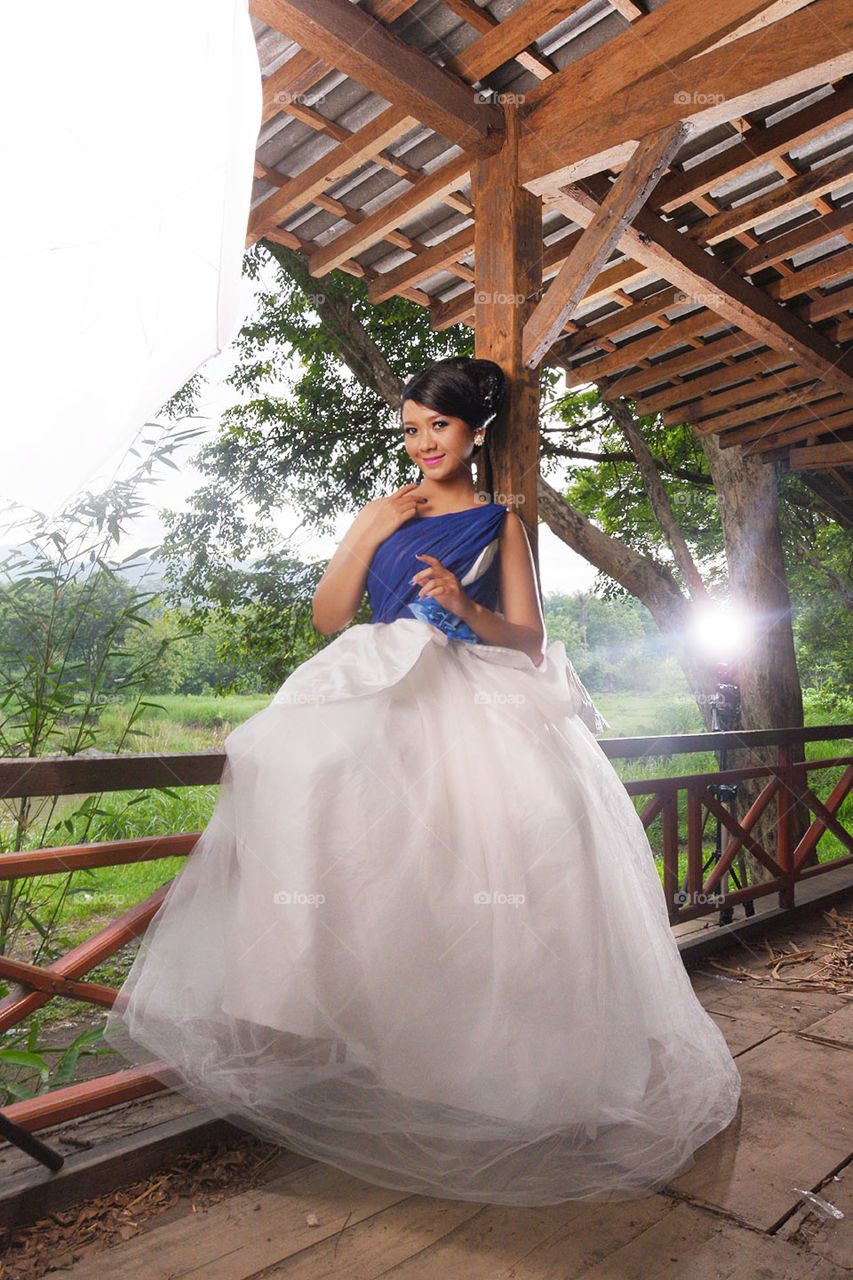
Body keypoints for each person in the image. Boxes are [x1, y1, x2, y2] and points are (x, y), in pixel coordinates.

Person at [103, 356, 741, 1206]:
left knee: (518, 832)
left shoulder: (499, 522)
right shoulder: (383, 511)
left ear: (473, 429)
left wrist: (464, 608)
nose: (423, 443)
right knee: (301, 770)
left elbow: (527, 640)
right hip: (373, 672)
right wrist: (368, 533)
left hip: (464, 680)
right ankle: (318, 1005)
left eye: (437, 427)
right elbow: (331, 618)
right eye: (409, 429)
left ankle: (500, 1062)